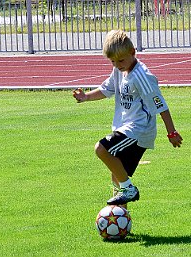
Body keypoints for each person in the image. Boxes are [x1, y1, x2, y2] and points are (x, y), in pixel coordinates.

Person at [73, 30, 183, 208]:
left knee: (101, 149)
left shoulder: (142, 76)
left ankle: (129, 190)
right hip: (125, 128)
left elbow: (160, 105)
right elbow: (106, 89)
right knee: (117, 174)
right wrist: (86, 97)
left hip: (138, 131)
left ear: (133, 52)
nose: (117, 65)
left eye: (121, 60)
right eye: (113, 61)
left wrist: (172, 132)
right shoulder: (118, 70)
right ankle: (120, 217)